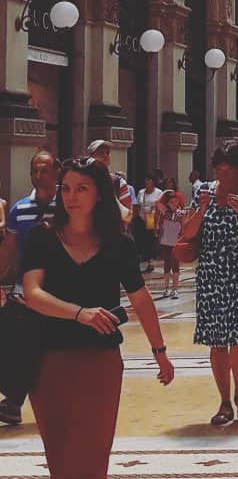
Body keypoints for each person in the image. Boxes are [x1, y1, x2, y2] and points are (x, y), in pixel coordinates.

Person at [22, 157, 174, 477]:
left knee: (92, 457)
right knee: (60, 461)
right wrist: (80, 314)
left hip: (100, 363)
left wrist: (160, 352)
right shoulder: (42, 237)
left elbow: (141, 299)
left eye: (81, 188)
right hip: (48, 361)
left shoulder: (118, 244)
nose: (71, 196)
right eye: (66, 188)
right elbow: (32, 294)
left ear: (99, 194)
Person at [177, 144, 238, 426]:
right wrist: (201, 209)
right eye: (219, 170)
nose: (223, 176)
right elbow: (187, 232)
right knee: (217, 340)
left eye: (229, 171)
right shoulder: (203, 192)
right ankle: (224, 401)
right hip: (210, 275)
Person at [0, 150, 60, 425]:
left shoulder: (68, 207)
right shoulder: (19, 209)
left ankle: (15, 402)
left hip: (60, 292)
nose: (38, 175)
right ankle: (13, 400)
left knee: (45, 349)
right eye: (34, 170)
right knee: (18, 343)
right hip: (25, 291)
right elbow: (9, 251)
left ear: (56, 171)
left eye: (43, 170)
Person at [87, 140, 133, 225]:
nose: (105, 156)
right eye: (100, 153)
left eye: (107, 153)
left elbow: (128, 216)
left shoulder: (118, 182)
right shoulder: (82, 180)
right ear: (90, 157)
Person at [156, 189, 184, 298]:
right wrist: (165, 192)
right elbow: (158, 203)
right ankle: (166, 288)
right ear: (167, 203)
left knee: (175, 265)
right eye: (172, 202)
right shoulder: (165, 212)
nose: (174, 204)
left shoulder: (180, 213)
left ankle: (175, 289)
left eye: (176, 201)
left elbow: (183, 227)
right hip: (165, 242)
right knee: (167, 265)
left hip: (175, 242)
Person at [134, 174, 163, 273]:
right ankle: (145, 259)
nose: (147, 182)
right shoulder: (141, 192)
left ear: (153, 182)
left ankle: (151, 260)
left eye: (149, 180)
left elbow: (162, 205)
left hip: (152, 220)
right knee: (143, 241)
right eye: (146, 180)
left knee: (151, 240)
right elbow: (137, 205)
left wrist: (154, 208)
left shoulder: (158, 192)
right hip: (142, 219)